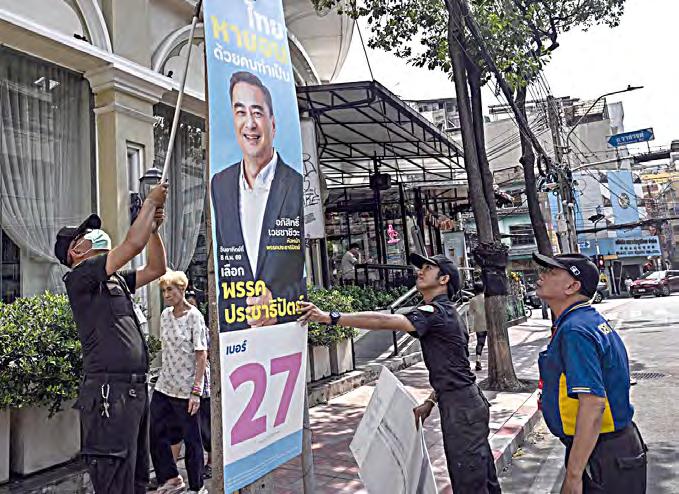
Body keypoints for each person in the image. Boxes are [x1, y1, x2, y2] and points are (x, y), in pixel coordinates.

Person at [299, 253, 501, 493]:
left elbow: (384, 321)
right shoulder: (448, 313)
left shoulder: (434, 312)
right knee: (483, 478)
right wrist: (430, 401)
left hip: (462, 409)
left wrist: (329, 317)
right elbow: (455, 368)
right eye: (420, 267)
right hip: (465, 403)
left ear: (444, 279)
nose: (420, 271)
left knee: (469, 484)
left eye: (428, 268)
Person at [53, 184, 168, 494]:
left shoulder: (114, 279)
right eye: (84, 235)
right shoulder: (80, 277)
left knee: (137, 480)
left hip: (133, 391)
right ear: (76, 251)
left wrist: (153, 231)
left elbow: (156, 268)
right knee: (114, 481)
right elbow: (132, 245)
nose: (94, 234)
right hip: (109, 394)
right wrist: (149, 205)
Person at [533, 253, 647, 493]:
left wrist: (574, 476)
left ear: (572, 287)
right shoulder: (585, 321)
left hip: (603, 454)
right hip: (608, 449)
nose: (541, 276)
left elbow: (593, 404)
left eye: (551, 272)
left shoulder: (575, 330)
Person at [211, 70, 305, 331]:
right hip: (236, 334)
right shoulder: (219, 184)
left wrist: (277, 306)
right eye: (240, 112)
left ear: (272, 124)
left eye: (257, 112)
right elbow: (224, 267)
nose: (249, 123)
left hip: (285, 330)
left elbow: (309, 271)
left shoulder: (296, 185)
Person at [150, 270, 209, 494]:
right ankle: (172, 478)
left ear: (182, 289)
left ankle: (197, 487)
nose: (166, 294)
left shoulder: (195, 316)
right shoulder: (165, 315)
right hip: (165, 384)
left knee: (192, 440)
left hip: (186, 388)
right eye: (163, 291)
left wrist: (196, 391)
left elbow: (201, 354)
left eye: (170, 290)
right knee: (155, 431)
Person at [468, 282, 487, 371]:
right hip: (489, 323)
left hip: (479, 324)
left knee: (480, 343)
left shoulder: (473, 300)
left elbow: (471, 314)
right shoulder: (487, 298)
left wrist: (471, 327)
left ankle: (478, 360)